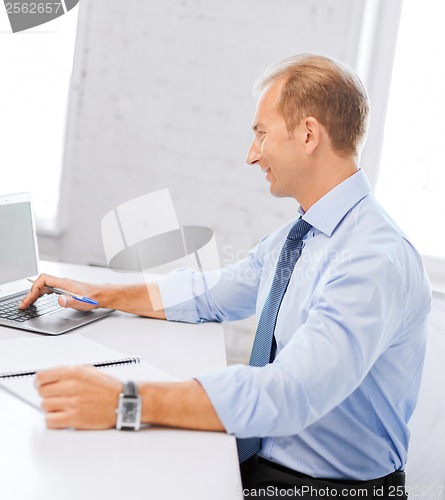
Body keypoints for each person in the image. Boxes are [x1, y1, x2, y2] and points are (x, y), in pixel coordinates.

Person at [20, 54, 431, 498]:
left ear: (308, 134)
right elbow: (212, 294)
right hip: (271, 465)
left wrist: (125, 400)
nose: (251, 154)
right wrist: (100, 293)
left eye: (260, 134)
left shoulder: (372, 258)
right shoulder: (304, 235)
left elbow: (289, 393)